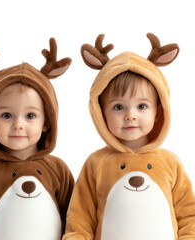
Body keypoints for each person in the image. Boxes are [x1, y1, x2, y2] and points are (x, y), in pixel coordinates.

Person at [63, 33, 195, 240]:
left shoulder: (170, 162)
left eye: (142, 106)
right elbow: (80, 217)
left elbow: (188, 215)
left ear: (158, 111)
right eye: (118, 107)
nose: (130, 115)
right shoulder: (95, 163)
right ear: (101, 112)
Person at [0, 37, 74, 240]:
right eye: (7, 115)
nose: (18, 125)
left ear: (47, 122)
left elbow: (75, 218)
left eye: (30, 116)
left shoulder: (58, 170)